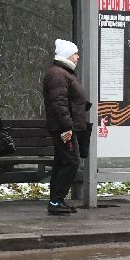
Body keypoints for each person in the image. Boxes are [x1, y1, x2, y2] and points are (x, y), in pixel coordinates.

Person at [42, 38, 90, 215]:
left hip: (65, 125)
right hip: (64, 128)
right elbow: (59, 103)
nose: (78, 57)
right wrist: (68, 126)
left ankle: (56, 200)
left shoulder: (63, 73)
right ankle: (56, 201)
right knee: (71, 161)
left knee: (63, 161)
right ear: (67, 55)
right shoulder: (58, 75)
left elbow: (65, 100)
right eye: (75, 54)